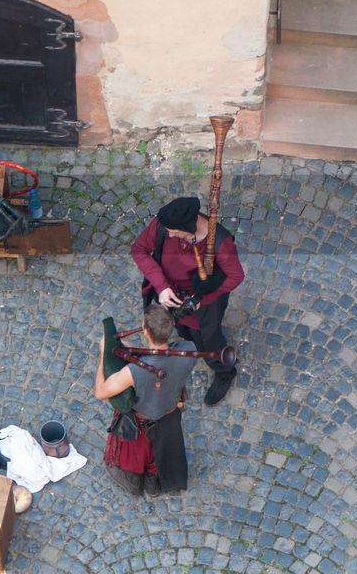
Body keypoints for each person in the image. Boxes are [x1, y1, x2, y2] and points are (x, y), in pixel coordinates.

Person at [131, 196, 244, 405]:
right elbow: (139, 250)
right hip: (170, 296)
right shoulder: (165, 224)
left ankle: (224, 371)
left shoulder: (220, 242)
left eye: (174, 231)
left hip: (202, 302)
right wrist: (162, 286)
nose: (169, 234)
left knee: (207, 340)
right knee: (183, 332)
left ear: (188, 228)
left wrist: (204, 298)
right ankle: (189, 342)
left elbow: (236, 276)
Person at [94, 304, 195, 495]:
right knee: (159, 454)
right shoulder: (188, 349)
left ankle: (134, 479)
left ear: (146, 331)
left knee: (134, 454)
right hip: (169, 414)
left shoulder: (134, 372)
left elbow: (101, 392)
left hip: (141, 421)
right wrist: (130, 350)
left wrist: (103, 354)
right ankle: (152, 480)